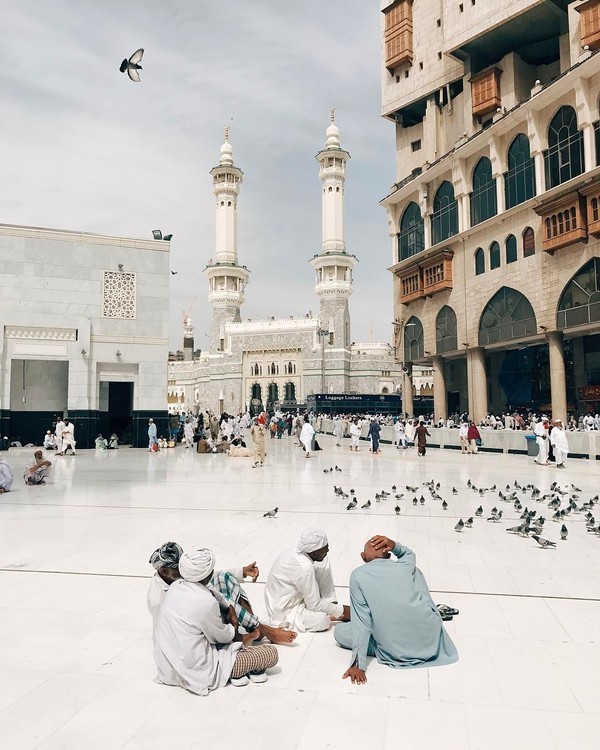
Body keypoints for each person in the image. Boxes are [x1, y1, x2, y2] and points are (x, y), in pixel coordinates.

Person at [153, 547, 279, 694]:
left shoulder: (175, 587)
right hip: (199, 672)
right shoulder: (205, 601)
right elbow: (224, 637)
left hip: (168, 669)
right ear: (209, 573)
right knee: (270, 654)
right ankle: (240, 666)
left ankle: (243, 661)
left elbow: (211, 591)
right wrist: (234, 623)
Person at [334, 535, 458, 684]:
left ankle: (384, 644)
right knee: (415, 572)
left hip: (396, 650)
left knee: (340, 631)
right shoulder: (405, 565)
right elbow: (409, 554)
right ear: (388, 554)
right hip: (432, 640)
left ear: (363, 557)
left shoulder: (358, 575)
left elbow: (362, 621)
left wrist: (358, 665)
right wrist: (395, 545)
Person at [148, 542, 296, 648]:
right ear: (164, 571)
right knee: (220, 598)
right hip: (191, 633)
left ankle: (256, 627)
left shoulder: (176, 578)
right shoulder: (158, 599)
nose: (183, 570)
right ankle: (261, 630)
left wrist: (241, 572)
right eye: (178, 568)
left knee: (223, 577)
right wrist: (232, 628)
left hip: (200, 613)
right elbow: (168, 632)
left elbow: (207, 576)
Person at [264, 527, 350, 632]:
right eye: (325, 548)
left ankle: (330, 604)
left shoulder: (297, 551)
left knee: (323, 560)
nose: (328, 550)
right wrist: (344, 610)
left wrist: (334, 607)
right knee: (322, 621)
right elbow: (314, 605)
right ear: (313, 553)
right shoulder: (305, 568)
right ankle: (333, 614)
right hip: (285, 611)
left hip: (294, 597)